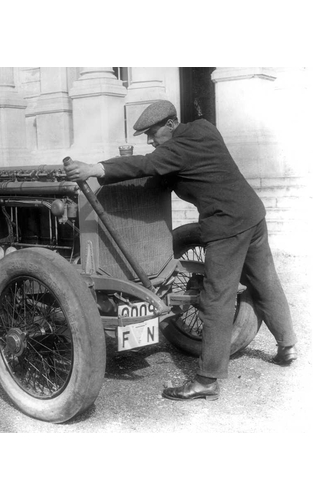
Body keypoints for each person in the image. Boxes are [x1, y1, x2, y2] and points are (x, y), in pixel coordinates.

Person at [64, 100, 297, 401]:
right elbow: (170, 165)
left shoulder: (176, 150)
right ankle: (288, 345)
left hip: (226, 226)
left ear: (171, 124)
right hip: (252, 215)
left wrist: (94, 168)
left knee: (217, 299)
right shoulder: (203, 129)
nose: (150, 141)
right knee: (265, 280)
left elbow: (148, 164)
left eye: (152, 133)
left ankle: (206, 381)